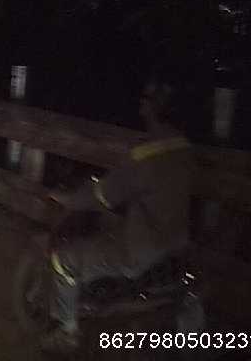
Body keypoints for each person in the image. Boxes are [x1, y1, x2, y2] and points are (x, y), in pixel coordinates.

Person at [40, 78, 194, 353]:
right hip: (175, 245)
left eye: (145, 99)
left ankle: (67, 333)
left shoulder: (146, 154)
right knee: (110, 226)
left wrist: (67, 198)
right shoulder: (184, 148)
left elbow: (101, 195)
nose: (141, 103)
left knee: (64, 260)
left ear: (154, 108)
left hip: (141, 251)